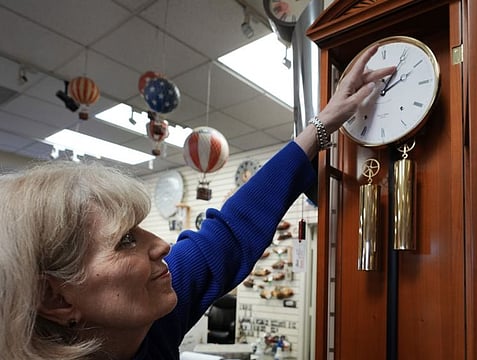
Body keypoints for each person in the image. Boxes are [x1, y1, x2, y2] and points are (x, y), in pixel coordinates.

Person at [0, 45, 394, 360]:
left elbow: (229, 231)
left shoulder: (152, 313)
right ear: (55, 298)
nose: (161, 245)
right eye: (124, 241)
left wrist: (323, 123)